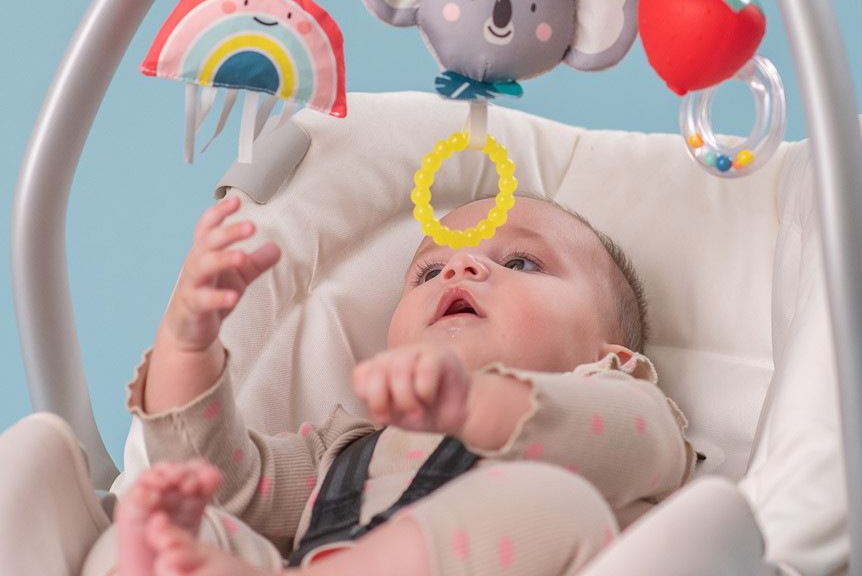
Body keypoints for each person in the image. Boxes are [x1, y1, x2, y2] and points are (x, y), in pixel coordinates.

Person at [114, 193, 694, 575]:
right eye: (430, 270)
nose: (459, 268)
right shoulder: (345, 454)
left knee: (558, 509)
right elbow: (225, 487)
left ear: (614, 357)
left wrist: (477, 402)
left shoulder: (625, 408)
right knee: (155, 519)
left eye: (520, 262)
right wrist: (186, 346)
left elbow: (644, 444)